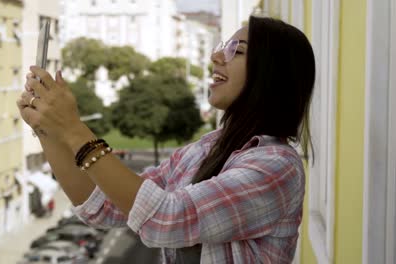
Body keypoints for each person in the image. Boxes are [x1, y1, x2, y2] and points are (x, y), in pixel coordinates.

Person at [17, 15, 315, 264]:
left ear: (271, 74)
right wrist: (48, 129)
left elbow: (167, 218)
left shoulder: (277, 168)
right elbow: (103, 205)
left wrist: (73, 128)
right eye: (223, 46)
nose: (215, 56)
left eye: (236, 51)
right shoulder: (205, 149)